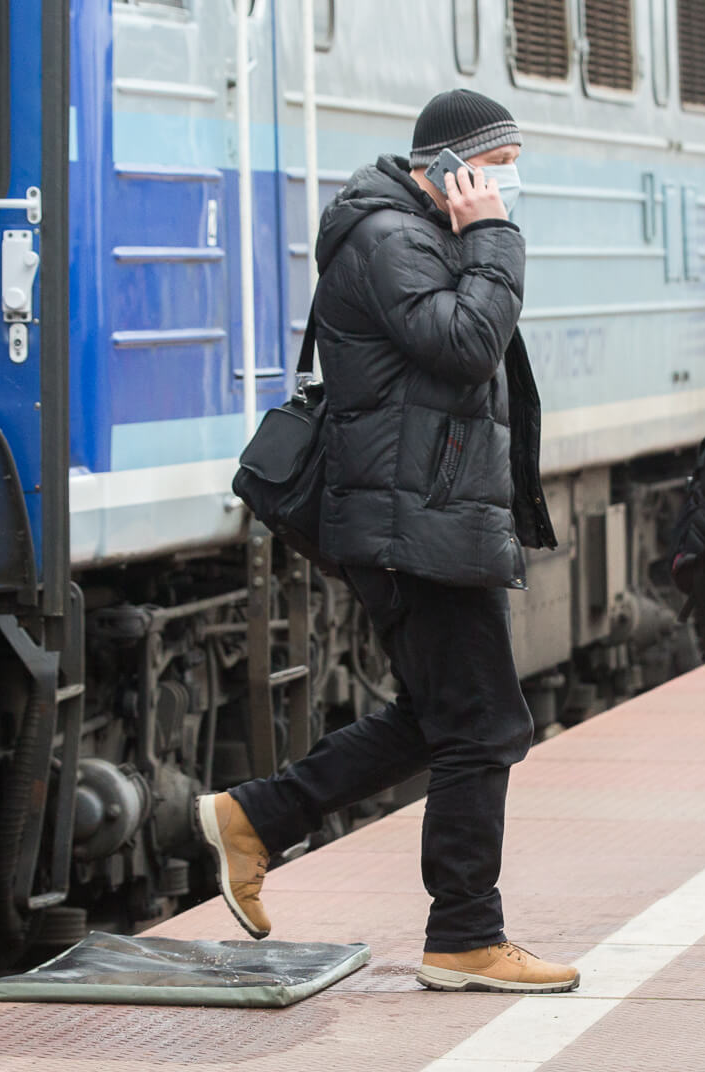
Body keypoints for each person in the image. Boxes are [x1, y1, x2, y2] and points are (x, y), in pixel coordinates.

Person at [197, 90, 577, 994]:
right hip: (416, 523)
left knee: (441, 715)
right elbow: (465, 343)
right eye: (501, 164)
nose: (509, 184)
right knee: (486, 724)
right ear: (453, 166)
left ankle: (255, 820)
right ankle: (464, 936)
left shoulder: (411, 233)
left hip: (427, 514)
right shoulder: (390, 238)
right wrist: (493, 238)